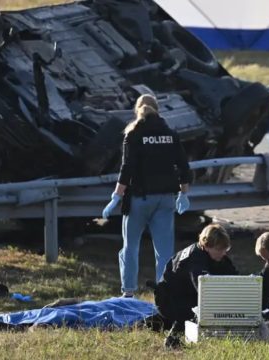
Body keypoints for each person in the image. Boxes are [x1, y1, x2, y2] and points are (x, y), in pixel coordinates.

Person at [102, 94, 192, 298]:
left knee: (130, 248)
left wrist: (116, 196)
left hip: (139, 200)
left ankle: (128, 292)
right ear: (157, 110)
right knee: (164, 251)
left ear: (137, 110)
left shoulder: (133, 134)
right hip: (166, 199)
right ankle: (164, 292)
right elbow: (184, 167)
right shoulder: (170, 134)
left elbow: (127, 168)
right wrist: (183, 194)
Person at [154, 224, 238, 348]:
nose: (223, 253)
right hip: (169, 299)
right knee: (194, 312)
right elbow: (204, 289)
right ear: (206, 245)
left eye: (225, 249)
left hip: (187, 295)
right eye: (219, 250)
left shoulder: (214, 255)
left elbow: (234, 277)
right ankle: (173, 338)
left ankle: (158, 322)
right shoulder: (195, 259)